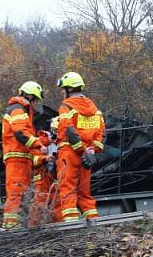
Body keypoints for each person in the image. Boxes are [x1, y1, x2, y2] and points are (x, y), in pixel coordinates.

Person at [55, 72, 105, 221]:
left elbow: (69, 130)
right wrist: (91, 151)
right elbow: (102, 133)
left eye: (64, 89)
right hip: (87, 157)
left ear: (69, 90)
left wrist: (82, 150)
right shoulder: (95, 110)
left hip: (70, 153)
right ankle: (94, 225)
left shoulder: (66, 106)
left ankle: (71, 227)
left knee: (67, 189)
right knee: (84, 193)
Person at [1, 81, 46, 228]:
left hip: (22, 160)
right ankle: (11, 229)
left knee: (21, 195)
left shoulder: (24, 112)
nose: (36, 103)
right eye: (35, 100)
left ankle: (15, 226)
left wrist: (41, 143)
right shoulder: (17, 109)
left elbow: (26, 137)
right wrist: (39, 145)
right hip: (16, 159)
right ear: (29, 96)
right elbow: (21, 134)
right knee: (15, 194)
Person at [30, 117, 60, 226]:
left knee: (57, 206)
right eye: (55, 130)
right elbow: (33, 160)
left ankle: (59, 229)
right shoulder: (41, 141)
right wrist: (45, 159)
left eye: (58, 130)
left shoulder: (63, 142)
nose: (56, 133)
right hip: (42, 179)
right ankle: (32, 231)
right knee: (39, 205)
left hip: (56, 179)